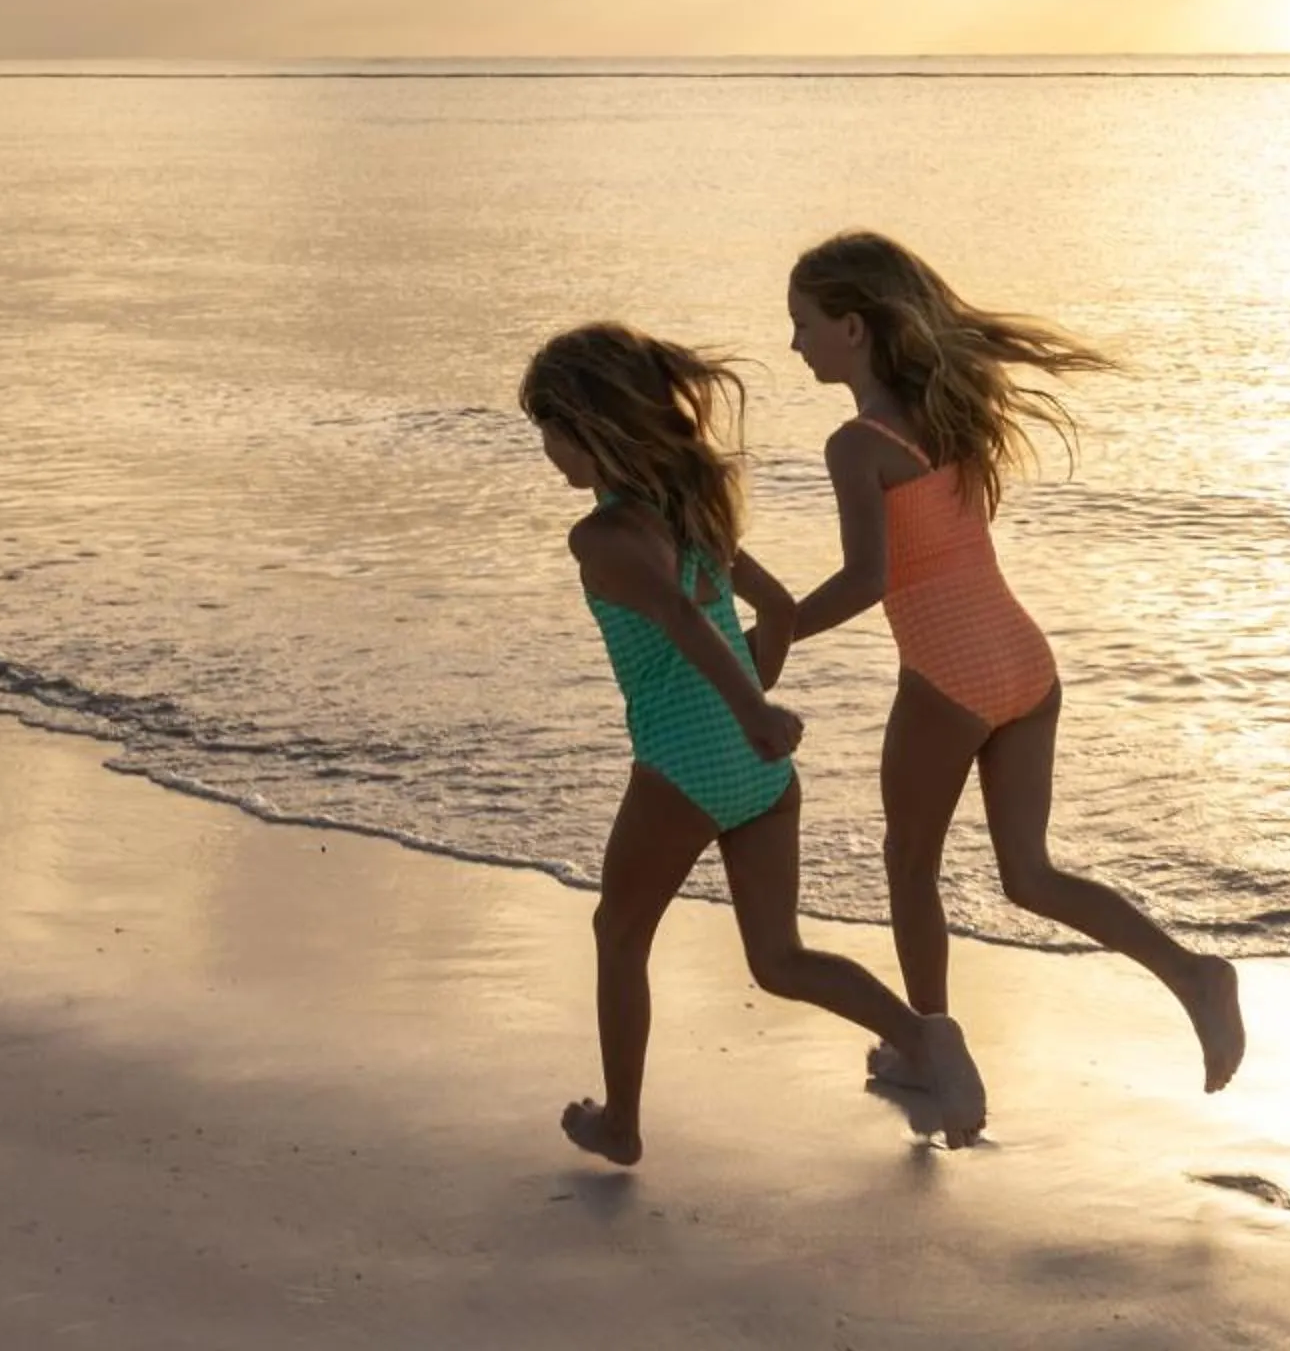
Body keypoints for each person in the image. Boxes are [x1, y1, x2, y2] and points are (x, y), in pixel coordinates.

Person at [781, 234, 1244, 1093]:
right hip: (1027, 665)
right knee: (1030, 875)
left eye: (803, 323)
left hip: (948, 674)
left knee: (910, 866)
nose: (794, 343)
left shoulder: (858, 444)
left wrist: (774, 635)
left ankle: (928, 1049)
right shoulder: (952, 416)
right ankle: (1194, 975)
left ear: (852, 327)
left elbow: (868, 579)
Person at [520, 322, 988, 1163]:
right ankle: (923, 1036)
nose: (546, 452)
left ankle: (621, 1125)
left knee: (618, 935)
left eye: (548, 432)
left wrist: (749, 711)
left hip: (685, 763)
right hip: (760, 775)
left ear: (587, 427)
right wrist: (755, 698)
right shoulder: (694, 514)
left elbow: (678, 617)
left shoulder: (603, 538)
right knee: (779, 958)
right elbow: (776, 611)